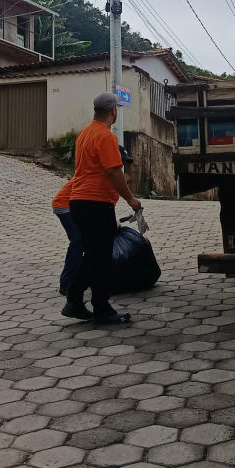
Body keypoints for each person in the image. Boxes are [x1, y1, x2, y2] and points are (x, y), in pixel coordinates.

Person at [62, 92, 143, 326]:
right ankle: (101, 309)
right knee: (100, 259)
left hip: (78, 201)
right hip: (96, 203)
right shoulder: (106, 137)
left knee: (92, 255)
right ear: (113, 111)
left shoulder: (84, 133)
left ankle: (74, 301)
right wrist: (131, 199)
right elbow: (114, 172)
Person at [52, 143, 133, 295]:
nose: (122, 164)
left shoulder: (110, 175)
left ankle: (83, 278)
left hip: (78, 206)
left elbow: (104, 203)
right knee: (78, 241)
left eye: (123, 161)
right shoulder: (100, 173)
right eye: (120, 160)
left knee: (88, 243)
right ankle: (66, 282)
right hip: (65, 206)